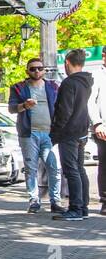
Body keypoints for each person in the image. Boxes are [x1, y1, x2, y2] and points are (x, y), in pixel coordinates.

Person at [8, 57, 61, 213]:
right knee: (31, 169)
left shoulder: (53, 87)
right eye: (33, 69)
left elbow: (60, 108)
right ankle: (34, 201)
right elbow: (11, 108)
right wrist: (25, 105)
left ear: (44, 70)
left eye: (39, 68)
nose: (37, 71)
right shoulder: (19, 88)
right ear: (27, 71)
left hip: (50, 134)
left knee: (54, 167)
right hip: (28, 133)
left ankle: (55, 201)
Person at [50, 48, 94, 221]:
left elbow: (64, 111)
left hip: (69, 132)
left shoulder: (69, 83)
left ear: (67, 62)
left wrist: (54, 134)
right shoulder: (86, 82)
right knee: (79, 169)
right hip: (82, 130)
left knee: (71, 170)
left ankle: (75, 208)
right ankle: (83, 207)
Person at [89, 62, 106, 214]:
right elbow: (91, 102)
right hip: (103, 128)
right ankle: (105, 201)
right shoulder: (97, 75)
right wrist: (97, 123)